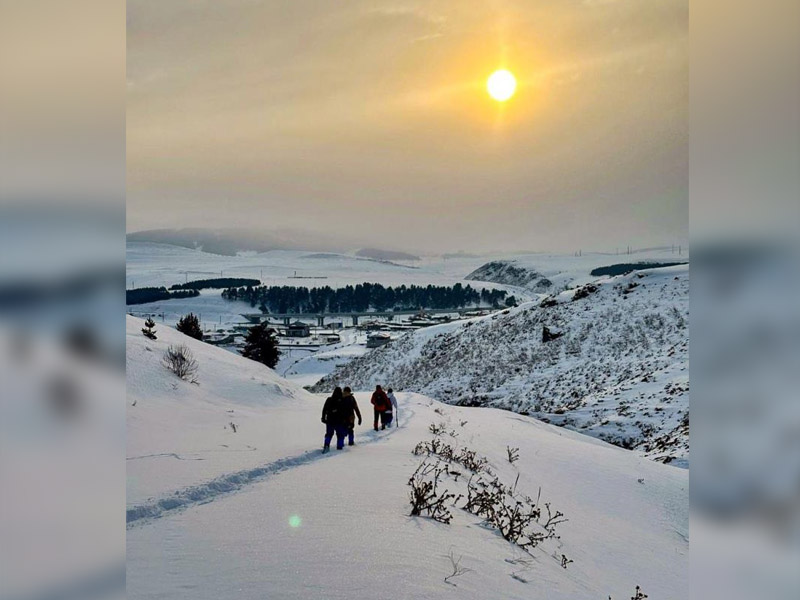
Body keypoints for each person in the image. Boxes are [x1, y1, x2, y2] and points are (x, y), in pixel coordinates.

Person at [321, 386, 347, 452]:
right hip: (339, 421)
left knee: (329, 434)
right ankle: (339, 447)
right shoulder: (342, 400)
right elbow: (344, 411)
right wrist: (345, 420)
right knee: (340, 435)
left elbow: (324, 409)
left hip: (329, 421)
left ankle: (326, 445)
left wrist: (323, 417)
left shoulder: (329, 399)